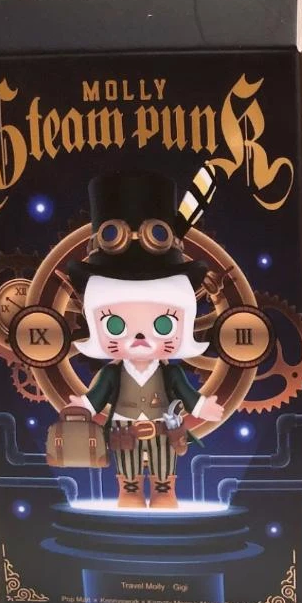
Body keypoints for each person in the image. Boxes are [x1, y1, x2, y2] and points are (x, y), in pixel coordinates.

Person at [64, 171, 224, 509]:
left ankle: (165, 492)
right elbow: (98, 396)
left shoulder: (170, 372)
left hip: (163, 429)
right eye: (116, 324)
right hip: (125, 431)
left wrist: (201, 407)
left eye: (163, 325)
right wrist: (85, 406)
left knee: (165, 472)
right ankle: (130, 492)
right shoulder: (111, 373)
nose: (139, 337)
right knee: (128, 471)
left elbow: (186, 393)